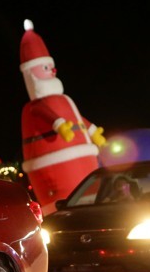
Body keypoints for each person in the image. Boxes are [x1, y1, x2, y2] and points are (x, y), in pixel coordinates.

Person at [19, 19, 106, 215]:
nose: (53, 72)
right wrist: (59, 125)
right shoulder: (33, 107)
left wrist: (93, 132)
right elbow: (48, 115)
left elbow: (78, 118)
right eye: (46, 69)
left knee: (90, 189)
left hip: (83, 155)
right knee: (67, 198)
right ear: (31, 74)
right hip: (54, 161)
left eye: (51, 68)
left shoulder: (65, 99)